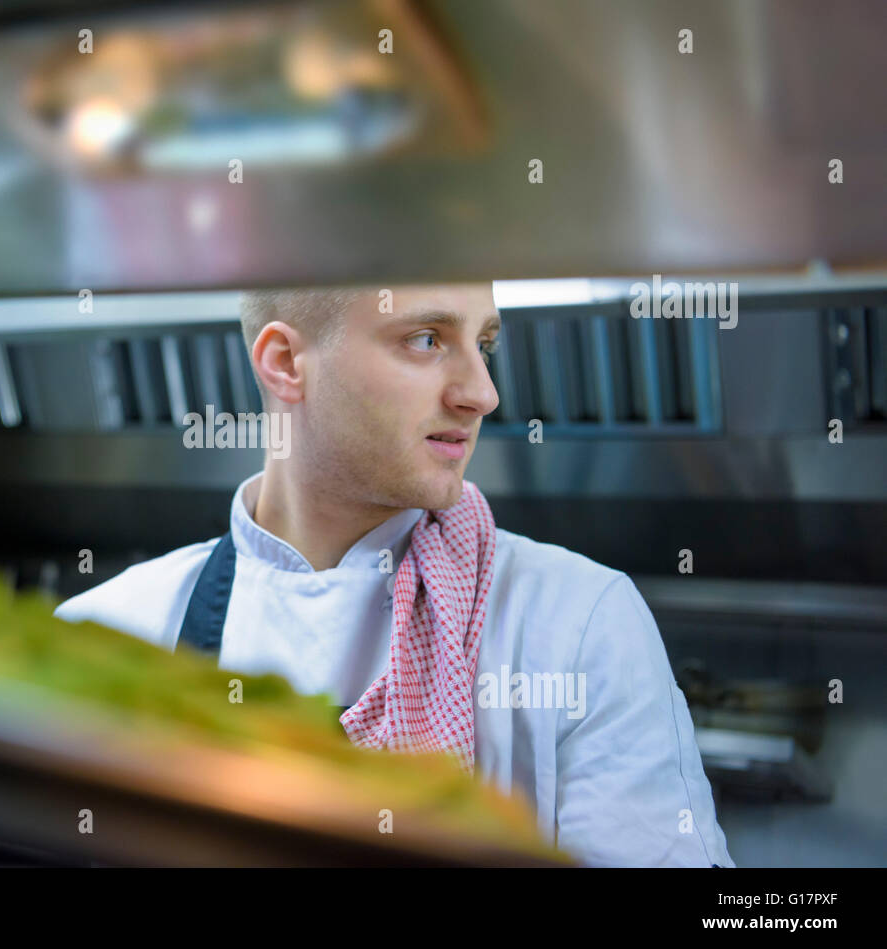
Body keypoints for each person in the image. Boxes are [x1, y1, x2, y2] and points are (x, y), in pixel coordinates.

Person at [54, 283, 734, 867]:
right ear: (287, 363)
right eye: (427, 339)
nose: (483, 393)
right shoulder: (104, 636)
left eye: (485, 342)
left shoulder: (578, 623)